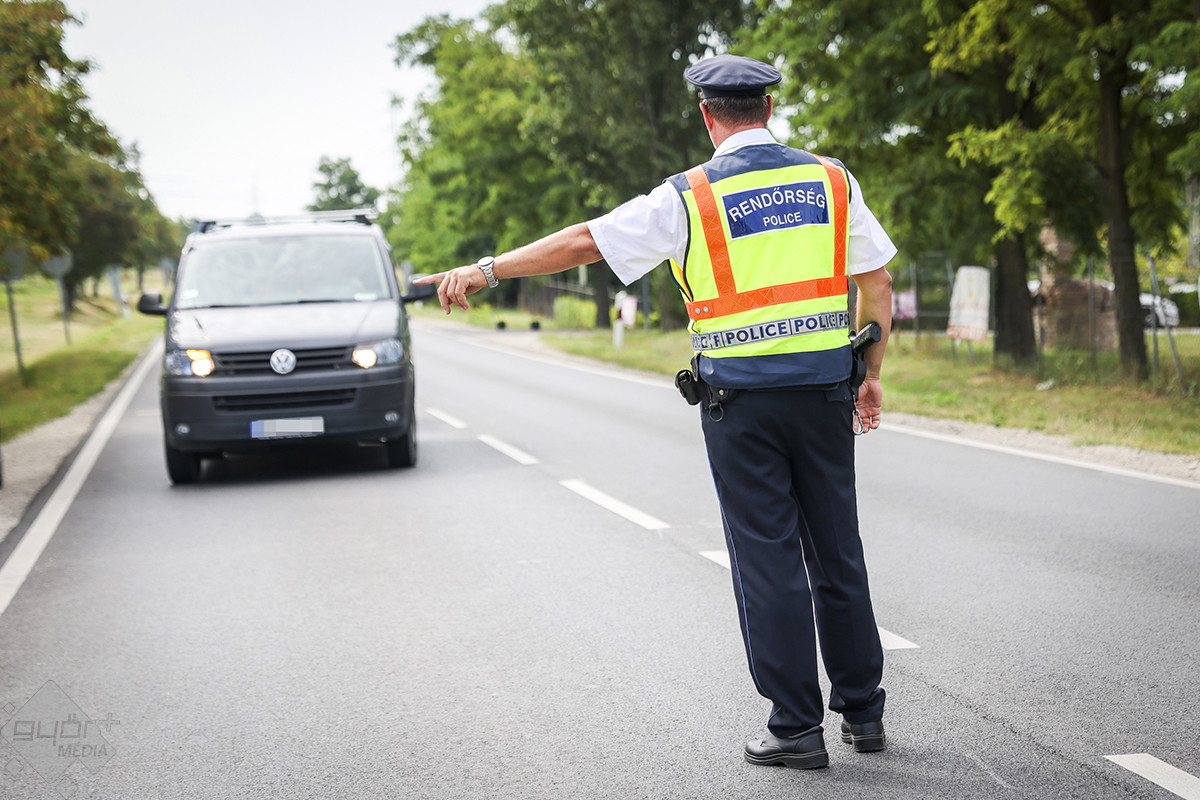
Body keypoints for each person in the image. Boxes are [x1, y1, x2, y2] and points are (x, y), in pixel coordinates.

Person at [415, 53, 895, 771]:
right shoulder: (831, 179)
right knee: (838, 550)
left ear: (708, 116)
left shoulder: (690, 196)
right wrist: (872, 375)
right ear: (769, 109)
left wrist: (486, 271)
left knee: (768, 559)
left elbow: (585, 241)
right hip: (826, 392)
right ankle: (863, 712)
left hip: (743, 407)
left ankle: (796, 728)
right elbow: (877, 285)